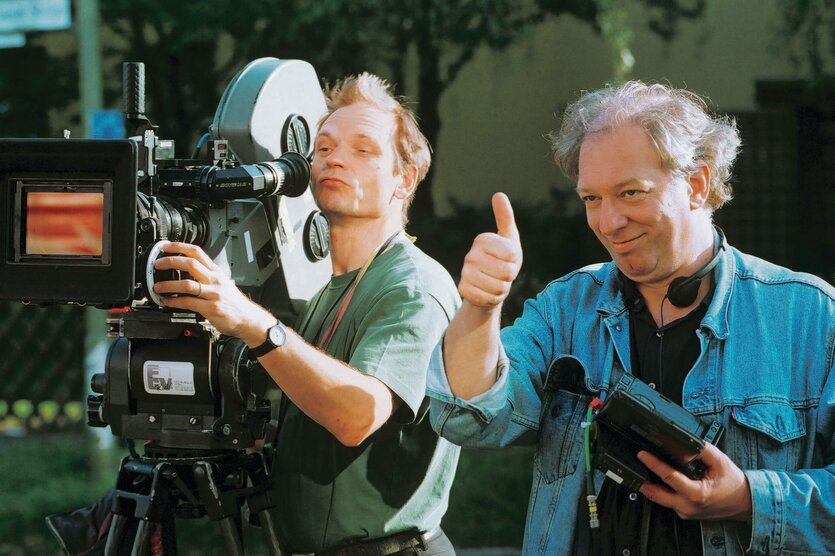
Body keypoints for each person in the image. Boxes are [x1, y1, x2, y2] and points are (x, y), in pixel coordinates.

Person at [427, 81, 834, 555]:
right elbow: (467, 418)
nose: (608, 221)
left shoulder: (810, 317)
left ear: (698, 184)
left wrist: (748, 497)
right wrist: (480, 307)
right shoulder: (564, 309)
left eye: (630, 193)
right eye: (591, 199)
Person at [154, 73, 460, 555]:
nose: (335, 158)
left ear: (405, 179)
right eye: (323, 148)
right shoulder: (325, 292)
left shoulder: (414, 286)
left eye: (363, 150)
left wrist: (251, 321)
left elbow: (357, 415)